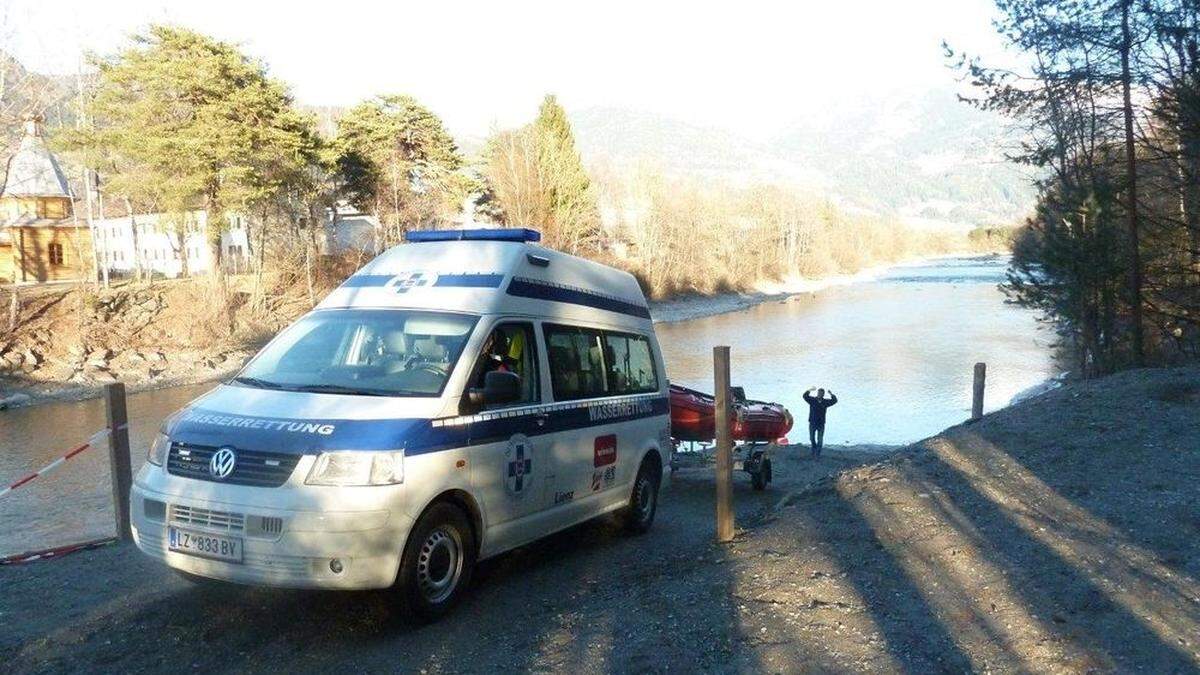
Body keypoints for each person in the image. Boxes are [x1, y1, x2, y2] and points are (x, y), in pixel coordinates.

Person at [802, 387, 838, 459]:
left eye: (821, 394)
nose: (819, 394)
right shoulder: (812, 400)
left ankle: (817, 454)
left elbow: (834, 400)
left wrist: (831, 394)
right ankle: (814, 449)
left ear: (823, 395)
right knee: (812, 438)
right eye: (819, 393)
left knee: (820, 439)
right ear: (817, 393)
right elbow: (805, 396)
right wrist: (810, 390)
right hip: (812, 422)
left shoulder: (825, 402)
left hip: (821, 423)